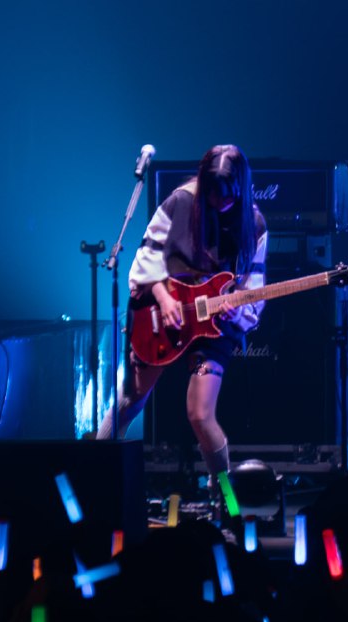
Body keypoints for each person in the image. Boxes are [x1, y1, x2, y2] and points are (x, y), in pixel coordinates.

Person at [97, 144, 268, 497]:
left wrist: (238, 310)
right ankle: (92, 479)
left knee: (200, 415)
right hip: (161, 312)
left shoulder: (254, 224)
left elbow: (253, 287)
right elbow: (146, 259)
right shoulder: (179, 202)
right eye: (213, 195)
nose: (219, 203)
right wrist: (163, 298)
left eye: (228, 197)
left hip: (213, 325)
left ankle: (226, 500)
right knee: (130, 400)